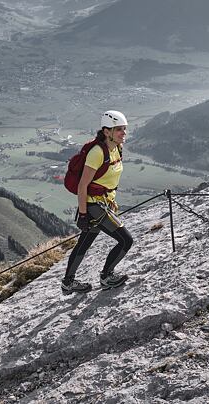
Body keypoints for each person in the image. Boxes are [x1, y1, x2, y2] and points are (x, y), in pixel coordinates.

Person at [62, 110, 134, 294]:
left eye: (124, 129)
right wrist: (84, 214)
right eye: (119, 130)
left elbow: (107, 181)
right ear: (106, 131)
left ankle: (68, 283)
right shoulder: (97, 153)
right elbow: (82, 186)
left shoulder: (116, 148)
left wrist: (110, 200)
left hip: (102, 204)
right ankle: (107, 277)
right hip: (94, 206)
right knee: (126, 240)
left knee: (84, 243)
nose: (123, 133)